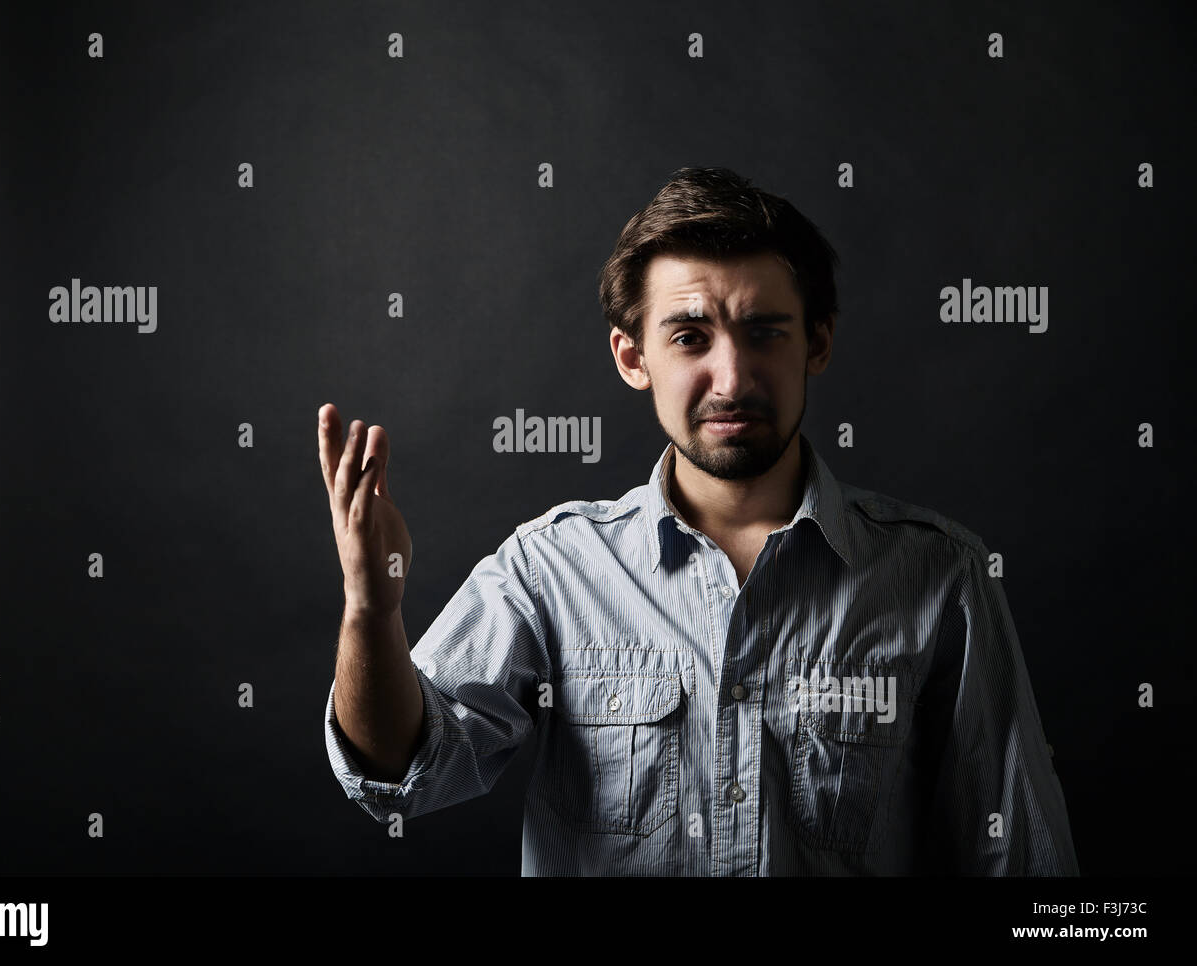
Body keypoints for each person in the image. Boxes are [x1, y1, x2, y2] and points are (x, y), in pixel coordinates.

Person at [319, 166, 1079, 876]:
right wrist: (370, 609)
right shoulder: (550, 570)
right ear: (632, 357)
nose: (733, 377)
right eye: (690, 336)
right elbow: (401, 774)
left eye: (765, 331)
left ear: (817, 341)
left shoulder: (941, 576)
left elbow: (1020, 860)